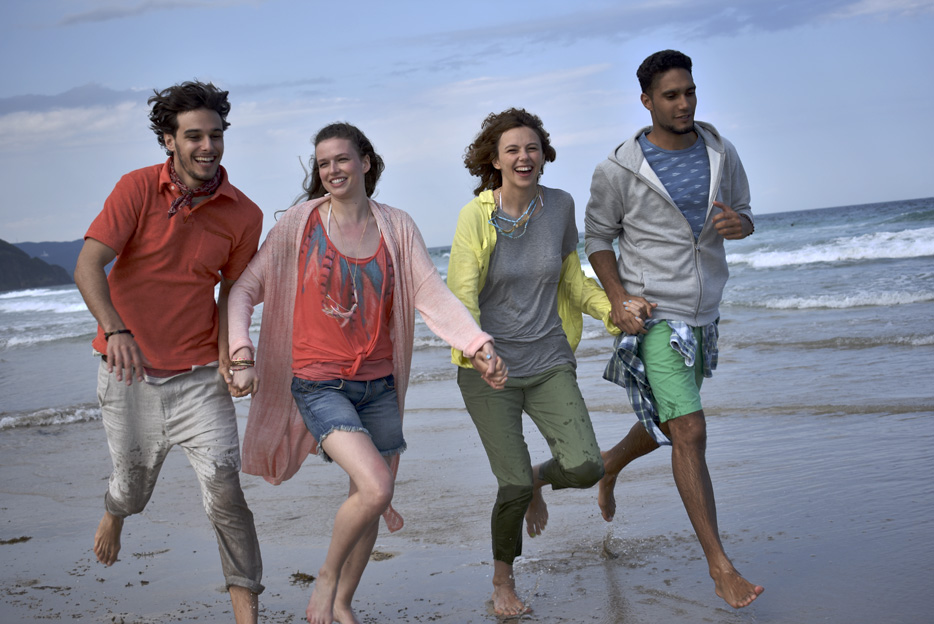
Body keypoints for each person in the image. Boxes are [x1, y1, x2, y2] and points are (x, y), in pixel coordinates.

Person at [226, 122, 506, 624]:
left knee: (370, 499)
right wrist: (242, 353)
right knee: (376, 486)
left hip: (379, 385)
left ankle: (343, 603)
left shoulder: (396, 226)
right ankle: (326, 581)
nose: (332, 169)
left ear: (365, 163)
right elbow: (244, 289)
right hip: (318, 382)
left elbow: (431, 293)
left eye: (341, 159)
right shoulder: (299, 225)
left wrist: (476, 343)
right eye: (323, 163)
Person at [73, 81, 264, 623]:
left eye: (217, 135)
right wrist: (115, 331)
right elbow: (88, 267)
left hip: (200, 375)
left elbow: (234, 292)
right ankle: (115, 510)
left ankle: (247, 614)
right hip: (128, 375)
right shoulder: (135, 189)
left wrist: (234, 353)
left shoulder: (243, 215)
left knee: (226, 491)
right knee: (133, 490)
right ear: (168, 140)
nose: (209, 147)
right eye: (195, 136)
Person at [584, 50, 764, 608]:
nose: (683, 103)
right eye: (671, 95)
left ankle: (608, 465)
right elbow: (597, 238)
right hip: (655, 317)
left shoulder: (720, 151)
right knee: (689, 431)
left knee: (669, 418)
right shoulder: (618, 168)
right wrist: (618, 299)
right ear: (646, 101)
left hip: (705, 314)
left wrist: (741, 224)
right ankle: (720, 566)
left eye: (689, 92)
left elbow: (745, 213)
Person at [447, 108, 619, 617]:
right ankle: (503, 581)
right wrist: (480, 353)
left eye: (533, 148)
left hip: (547, 359)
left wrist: (617, 313)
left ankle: (536, 479)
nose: (524, 157)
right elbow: (461, 295)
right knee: (513, 484)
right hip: (488, 370)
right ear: (494, 160)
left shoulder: (560, 207)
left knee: (587, 467)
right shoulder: (475, 216)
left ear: (545, 155)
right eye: (513, 150)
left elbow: (574, 280)